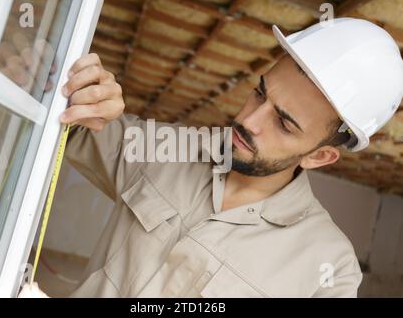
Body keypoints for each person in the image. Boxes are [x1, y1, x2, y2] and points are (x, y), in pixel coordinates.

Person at [20, 18, 402, 298]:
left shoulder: (328, 267)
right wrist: (76, 90)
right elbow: (76, 130)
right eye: (259, 94)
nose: (249, 121)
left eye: (284, 124)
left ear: (320, 155)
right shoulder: (170, 150)